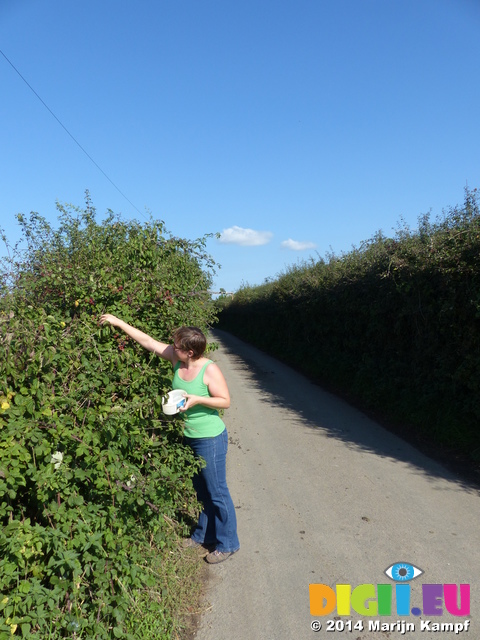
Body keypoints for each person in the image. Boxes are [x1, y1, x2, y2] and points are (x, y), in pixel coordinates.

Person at [99, 314, 240, 564]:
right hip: (188, 435)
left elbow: (225, 401)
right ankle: (204, 535)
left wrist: (198, 399)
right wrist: (119, 323)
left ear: (190, 351)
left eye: (176, 345)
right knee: (201, 489)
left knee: (217, 491)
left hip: (210, 437)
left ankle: (228, 543)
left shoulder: (209, 369)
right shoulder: (177, 359)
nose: (172, 347)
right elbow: (149, 342)